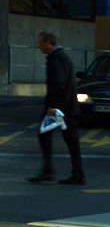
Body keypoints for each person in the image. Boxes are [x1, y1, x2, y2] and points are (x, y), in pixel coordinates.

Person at [28, 31, 86, 185]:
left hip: (61, 108)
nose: (39, 46)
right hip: (66, 107)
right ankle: (73, 173)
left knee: (50, 136)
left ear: (48, 43)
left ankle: (57, 172)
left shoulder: (57, 58)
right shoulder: (61, 57)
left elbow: (59, 84)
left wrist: (54, 106)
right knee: (66, 139)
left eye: (40, 43)